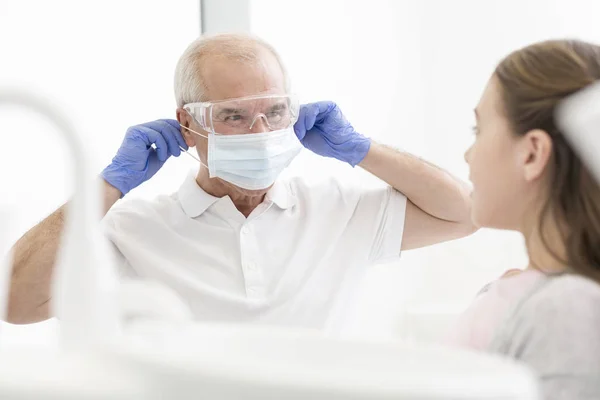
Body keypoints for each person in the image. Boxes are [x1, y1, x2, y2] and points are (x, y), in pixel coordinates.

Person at [7, 33, 475, 330]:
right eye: (232, 115)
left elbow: (466, 213)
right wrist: (109, 185)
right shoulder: (135, 228)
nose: (260, 132)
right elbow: (16, 302)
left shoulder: (338, 210)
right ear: (187, 124)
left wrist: (362, 149)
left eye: (273, 112)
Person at [445, 39, 600, 399]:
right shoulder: (535, 298)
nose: (468, 154)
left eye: (478, 130)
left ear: (532, 153)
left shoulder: (567, 309)